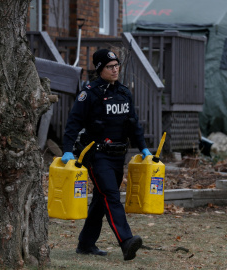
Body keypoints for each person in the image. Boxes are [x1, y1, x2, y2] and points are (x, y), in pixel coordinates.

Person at [61, 49, 152, 261]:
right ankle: (126, 241)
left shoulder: (123, 92)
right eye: (110, 66)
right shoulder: (89, 93)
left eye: (117, 65)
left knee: (102, 201)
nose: (115, 69)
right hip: (97, 156)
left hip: (118, 156)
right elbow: (74, 122)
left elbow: (133, 124)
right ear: (100, 69)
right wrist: (67, 149)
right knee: (111, 195)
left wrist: (144, 148)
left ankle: (85, 243)